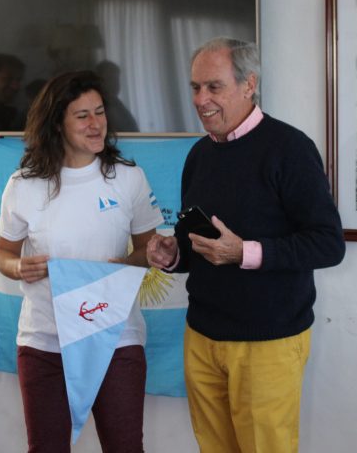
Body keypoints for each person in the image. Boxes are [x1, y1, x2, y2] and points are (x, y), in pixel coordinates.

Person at [146, 37, 346, 453]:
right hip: (201, 336)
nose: (200, 100)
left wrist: (245, 253)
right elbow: (196, 245)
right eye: (195, 87)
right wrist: (174, 255)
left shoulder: (290, 149)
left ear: (249, 84)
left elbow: (329, 244)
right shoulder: (198, 155)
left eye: (213, 87)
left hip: (267, 343)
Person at [0, 70, 163, 452]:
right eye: (82, 115)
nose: (96, 123)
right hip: (44, 343)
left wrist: (136, 260)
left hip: (116, 338)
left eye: (100, 112)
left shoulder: (129, 178)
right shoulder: (23, 185)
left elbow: (147, 251)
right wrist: (17, 267)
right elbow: (3, 253)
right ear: (57, 123)